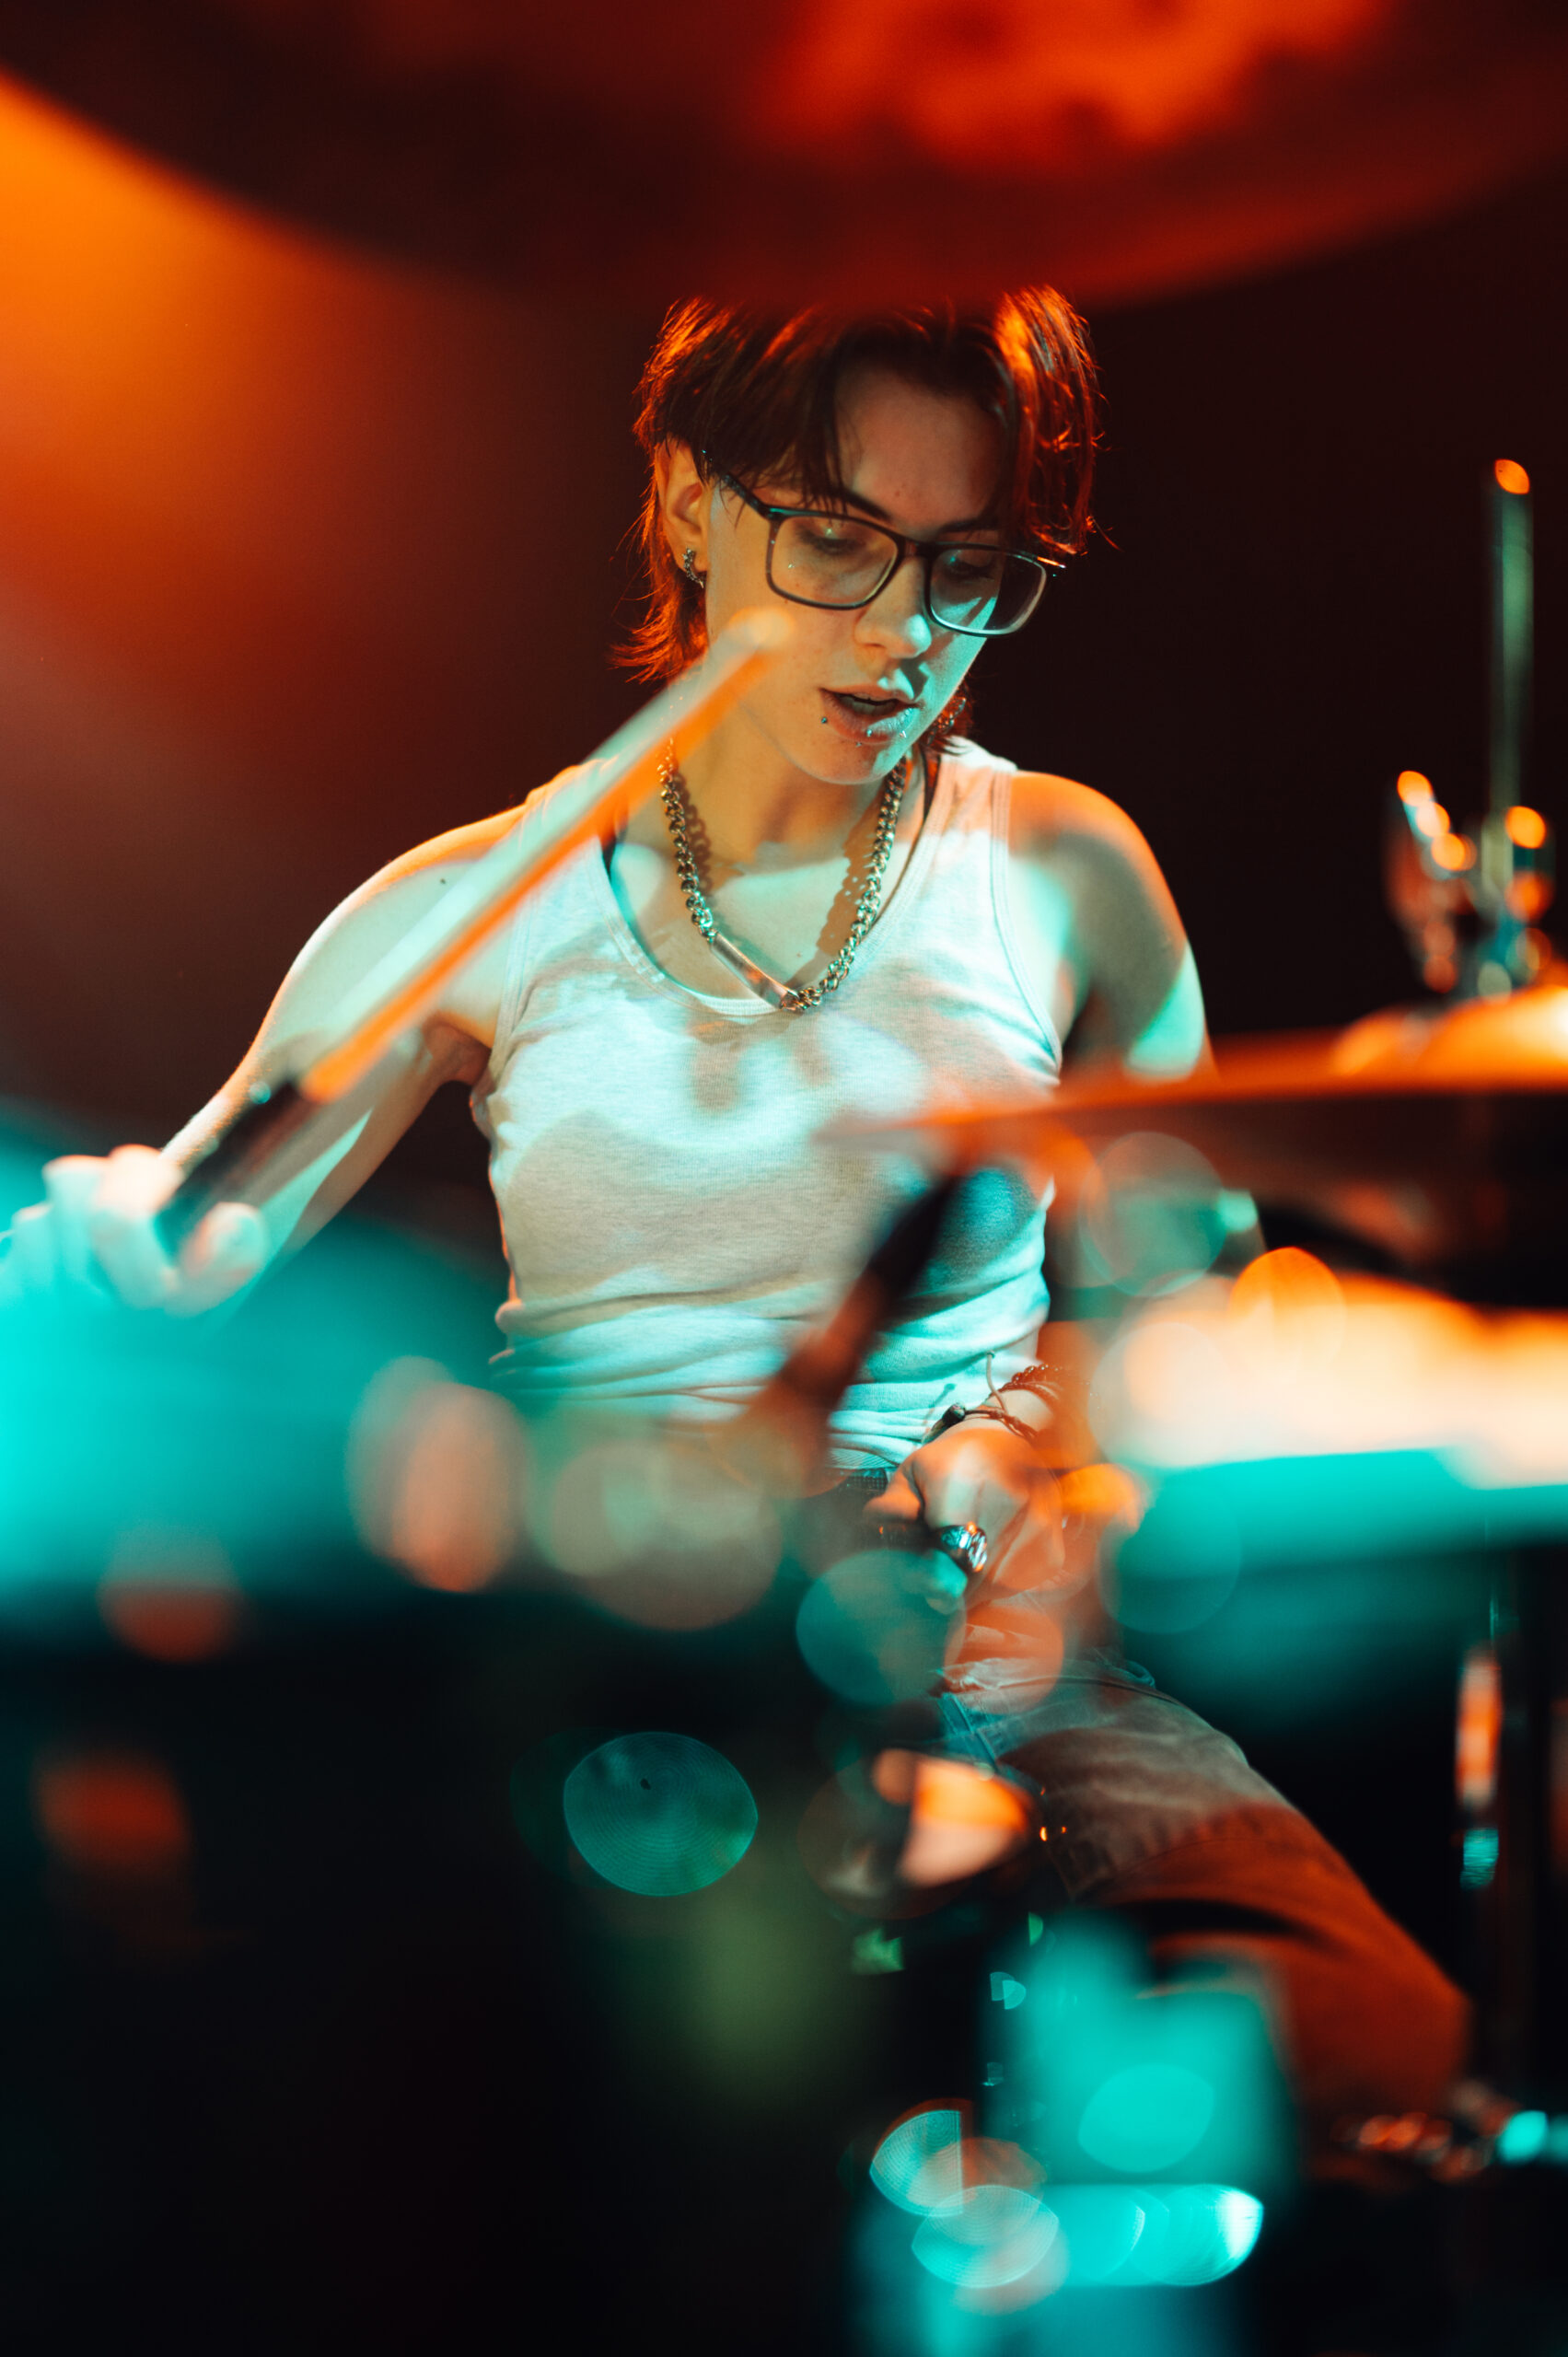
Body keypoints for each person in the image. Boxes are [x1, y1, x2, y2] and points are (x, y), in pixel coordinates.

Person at [1, 290, 1466, 2146]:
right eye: (838, 541)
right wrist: (97, 1267)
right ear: (691, 504)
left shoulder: (1064, 873)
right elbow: (179, 1247)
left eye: (967, 568)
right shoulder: (482, 901)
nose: (903, 630)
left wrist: (1045, 1457)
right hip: (588, 1666)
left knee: (1390, 2086)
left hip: (997, 1666)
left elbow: (1183, 1330)